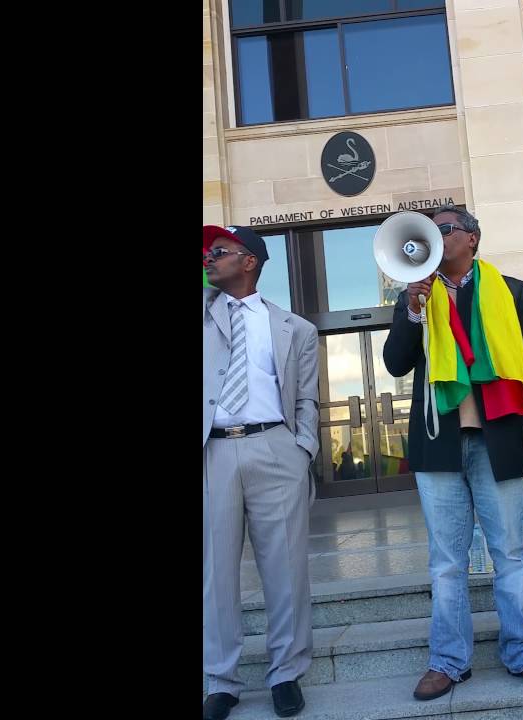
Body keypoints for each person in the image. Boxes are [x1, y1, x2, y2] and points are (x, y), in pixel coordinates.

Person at [382, 204, 523, 701]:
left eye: (443, 231)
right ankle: (447, 660)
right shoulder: (414, 293)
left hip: (497, 438)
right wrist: (413, 312)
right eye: (430, 232)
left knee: (509, 553)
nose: (434, 239)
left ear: (472, 240)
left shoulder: (512, 291)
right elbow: (396, 364)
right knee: (446, 561)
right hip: (438, 443)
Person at [202, 224, 320, 719]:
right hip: (213, 451)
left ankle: (286, 673)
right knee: (214, 573)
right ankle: (219, 680)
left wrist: (303, 449)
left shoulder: (296, 328)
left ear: (249, 261)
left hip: (276, 448)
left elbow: (305, 398)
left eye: (219, 251)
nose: (208, 258)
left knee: (286, 569)